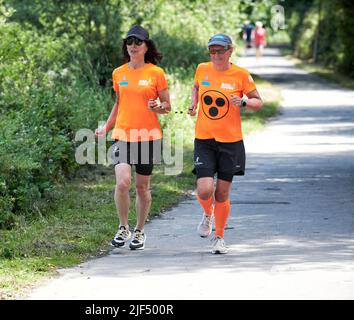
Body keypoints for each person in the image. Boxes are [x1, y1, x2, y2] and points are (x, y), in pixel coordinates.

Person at [95, 25, 171, 250]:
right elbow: (118, 104)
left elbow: (167, 106)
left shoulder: (156, 73)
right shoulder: (119, 73)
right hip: (123, 134)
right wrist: (106, 128)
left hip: (148, 136)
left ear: (147, 46)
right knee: (122, 182)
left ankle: (139, 231)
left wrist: (158, 106)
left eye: (138, 42)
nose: (133, 46)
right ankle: (123, 227)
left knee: (142, 188)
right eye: (129, 42)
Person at [188, 34, 263, 254]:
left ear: (230, 51)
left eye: (220, 51)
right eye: (212, 51)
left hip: (231, 142)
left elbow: (258, 102)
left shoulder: (240, 74)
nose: (216, 55)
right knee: (204, 190)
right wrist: (194, 103)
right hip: (204, 139)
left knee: (221, 193)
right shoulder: (202, 69)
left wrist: (245, 102)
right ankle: (208, 213)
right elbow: (196, 86)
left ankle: (219, 237)